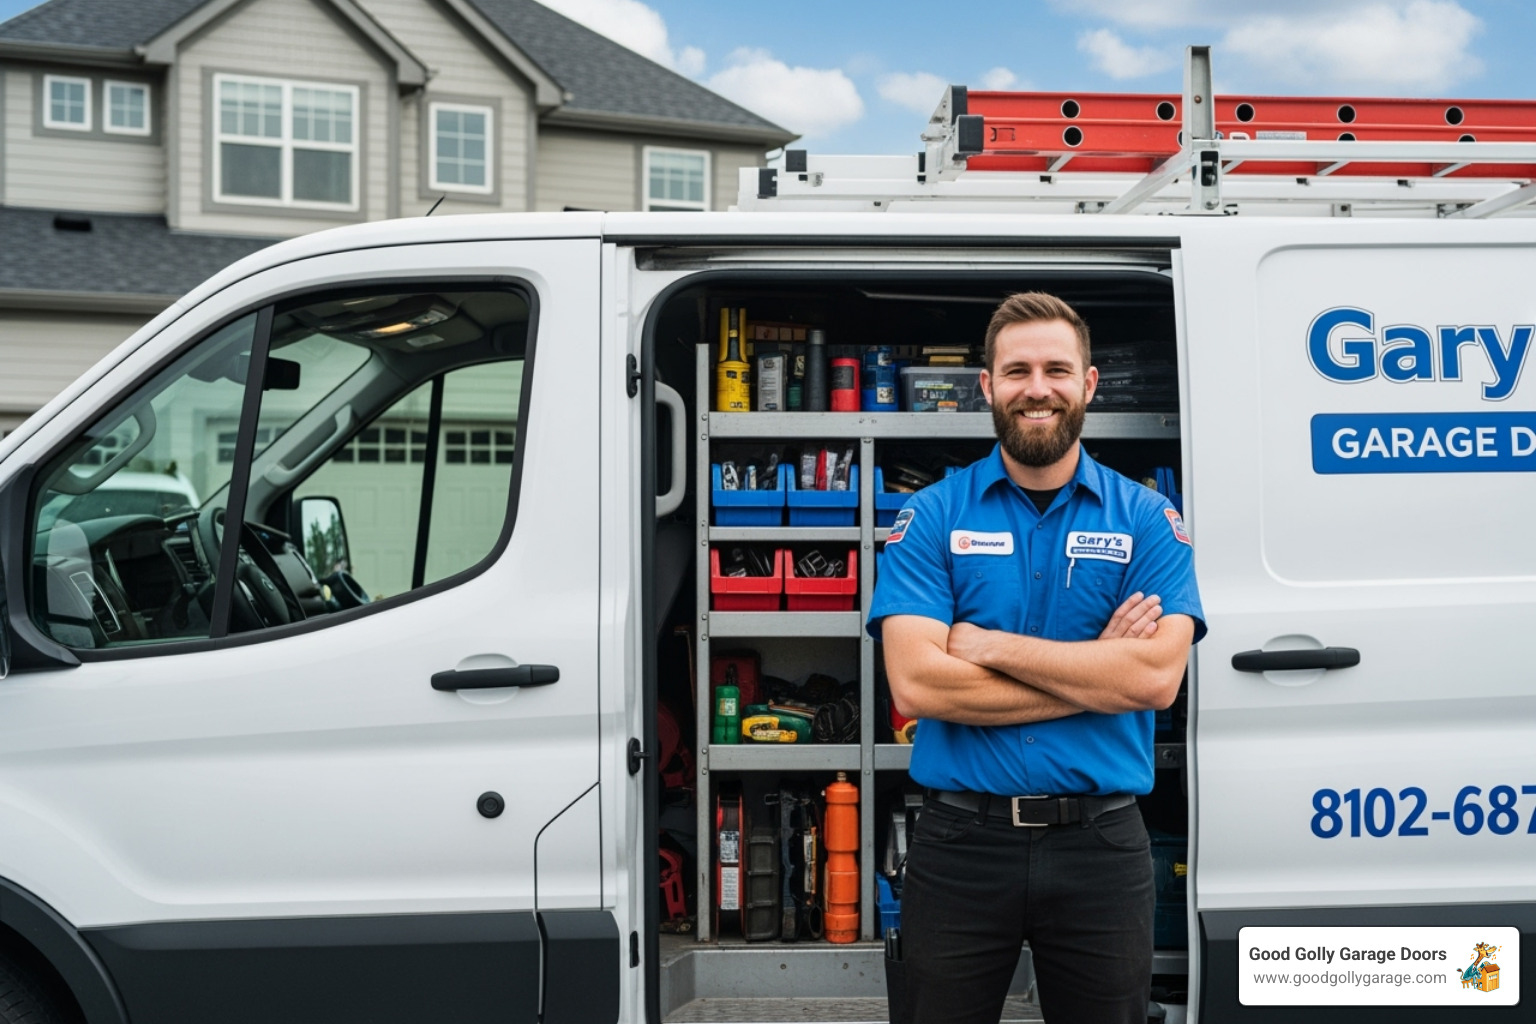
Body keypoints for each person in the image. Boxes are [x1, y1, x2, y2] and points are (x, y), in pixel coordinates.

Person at [868, 292, 1205, 1024]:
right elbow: (919, 683)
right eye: (1017, 370)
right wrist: (1099, 670)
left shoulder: (1147, 520)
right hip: (960, 845)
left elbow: (1154, 678)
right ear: (986, 387)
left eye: (1057, 369)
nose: (1037, 388)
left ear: (1088, 384)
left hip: (1102, 848)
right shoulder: (931, 516)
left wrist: (988, 648)